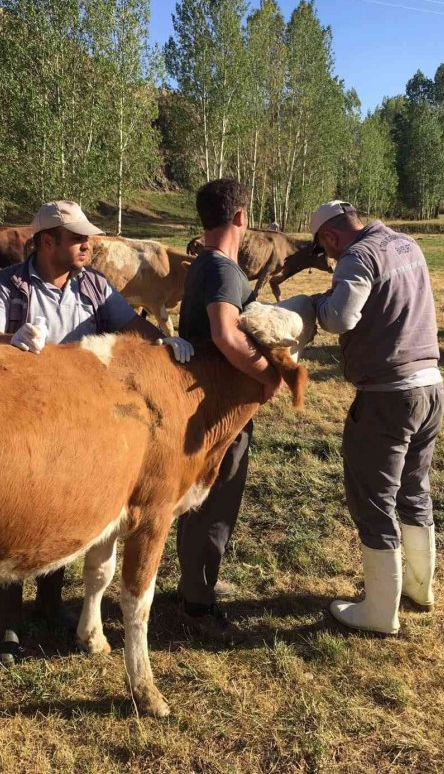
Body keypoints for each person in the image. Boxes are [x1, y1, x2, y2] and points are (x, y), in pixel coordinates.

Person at [0, 200, 193, 665]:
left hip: (84, 416)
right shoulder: (7, 285)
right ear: (47, 241)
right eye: (78, 239)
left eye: (88, 237)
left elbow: (129, 325)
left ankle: (50, 602)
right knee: (22, 504)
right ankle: (7, 621)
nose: (88, 245)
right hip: (22, 411)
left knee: (67, 501)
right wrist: (7, 342)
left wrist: (162, 340)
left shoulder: (94, 284)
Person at [310, 200, 444, 635]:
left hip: (387, 397)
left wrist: (316, 303)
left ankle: (380, 611)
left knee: (374, 499)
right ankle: (421, 589)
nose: (330, 259)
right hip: (430, 387)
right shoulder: (406, 244)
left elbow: (340, 316)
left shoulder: (357, 256)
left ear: (330, 237)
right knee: (414, 488)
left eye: (326, 250)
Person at [176, 179, 284, 636]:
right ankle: (198, 604)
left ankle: (191, 585)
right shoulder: (223, 270)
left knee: (197, 500)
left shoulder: (203, 262)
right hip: (222, 410)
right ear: (241, 217)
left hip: (198, 402)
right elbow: (224, 333)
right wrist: (269, 375)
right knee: (217, 500)